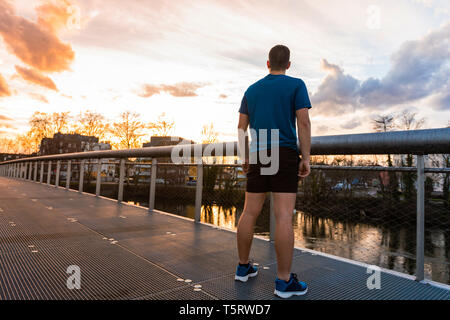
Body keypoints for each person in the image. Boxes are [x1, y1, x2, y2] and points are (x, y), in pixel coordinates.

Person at [235, 44, 312, 298]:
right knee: (283, 216)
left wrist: (245, 156)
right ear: (288, 65)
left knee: (249, 212)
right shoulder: (296, 85)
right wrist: (306, 158)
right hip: (284, 153)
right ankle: (283, 281)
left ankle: (243, 268)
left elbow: (241, 127)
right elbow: (303, 121)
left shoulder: (252, 90)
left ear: (267, 63)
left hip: (258, 154)